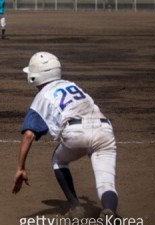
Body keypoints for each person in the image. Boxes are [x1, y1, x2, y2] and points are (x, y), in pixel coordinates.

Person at [12, 52, 118, 220]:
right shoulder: (72, 85)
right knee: (106, 181)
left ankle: (76, 207)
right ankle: (109, 211)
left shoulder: (41, 97)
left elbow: (29, 134)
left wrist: (20, 167)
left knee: (58, 160)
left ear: (34, 77)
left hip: (76, 132)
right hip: (104, 129)